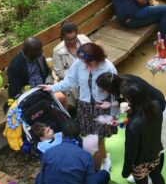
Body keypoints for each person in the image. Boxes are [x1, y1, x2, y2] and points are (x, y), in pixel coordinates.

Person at [48, 41, 117, 169]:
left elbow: (115, 91)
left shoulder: (108, 67)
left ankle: (101, 165)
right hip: (84, 106)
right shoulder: (79, 64)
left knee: (99, 138)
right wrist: (52, 88)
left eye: (89, 62)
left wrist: (113, 112)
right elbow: (69, 81)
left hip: (102, 107)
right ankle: (103, 159)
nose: (85, 64)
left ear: (97, 57)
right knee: (87, 136)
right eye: (83, 61)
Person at [36, 120, 114, 184]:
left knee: (39, 178)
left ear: (62, 135)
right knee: (104, 174)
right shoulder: (85, 156)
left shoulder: (48, 153)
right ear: (78, 135)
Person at [121, 80, 166, 184]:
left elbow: (131, 150)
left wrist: (126, 169)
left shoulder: (133, 124)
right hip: (155, 152)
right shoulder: (156, 106)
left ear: (131, 100)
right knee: (157, 176)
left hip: (139, 161)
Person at [5, 37, 54, 108]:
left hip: (45, 89)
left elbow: (48, 72)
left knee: (61, 98)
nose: (41, 52)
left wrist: (49, 84)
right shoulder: (15, 66)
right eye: (38, 51)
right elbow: (16, 91)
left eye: (41, 49)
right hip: (28, 97)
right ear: (29, 52)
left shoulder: (39, 57)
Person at [51, 22, 91, 108]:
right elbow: (60, 72)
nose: (72, 41)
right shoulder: (57, 51)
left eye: (74, 38)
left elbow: (94, 53)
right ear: (63, 38)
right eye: (69, 40)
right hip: (73, 82)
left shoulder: (84, 39)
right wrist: (78, 72)